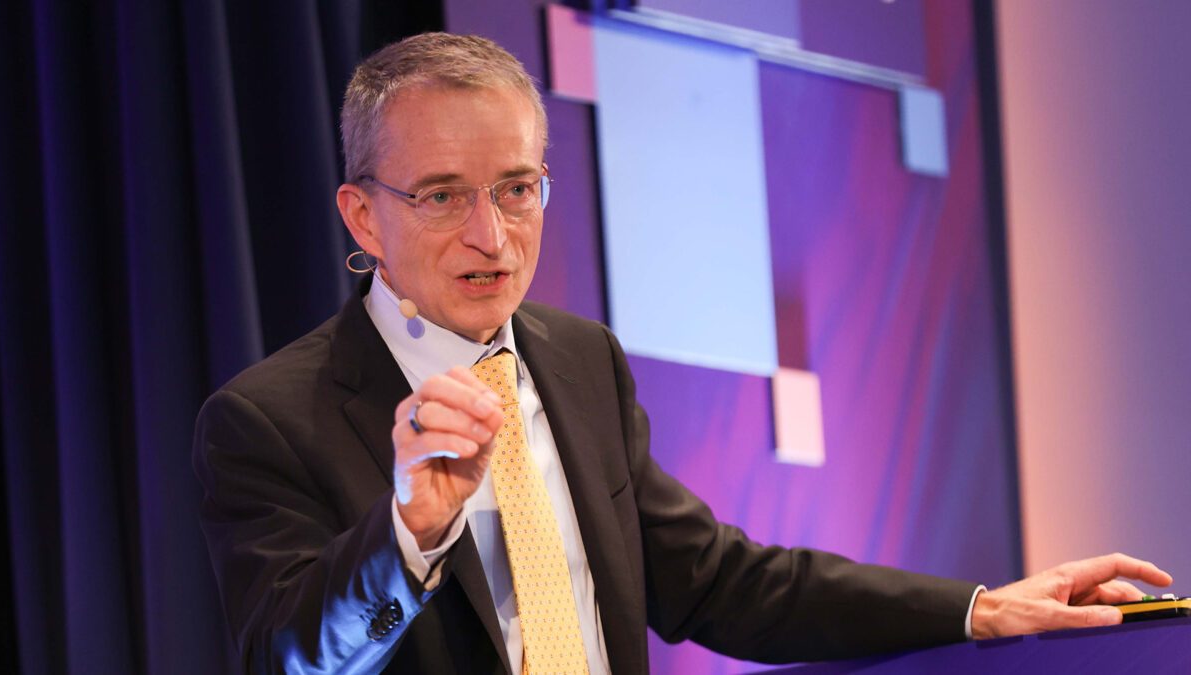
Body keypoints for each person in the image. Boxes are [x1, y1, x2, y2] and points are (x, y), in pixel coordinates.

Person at [192, 32, 1172, 674]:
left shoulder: (581, 362)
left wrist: (980, 609)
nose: (492, 236)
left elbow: (720, 584)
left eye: (518, 187)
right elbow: (289, 657)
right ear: (362, 215)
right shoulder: (270, 419)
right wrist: (407, 534)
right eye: (443, 195)